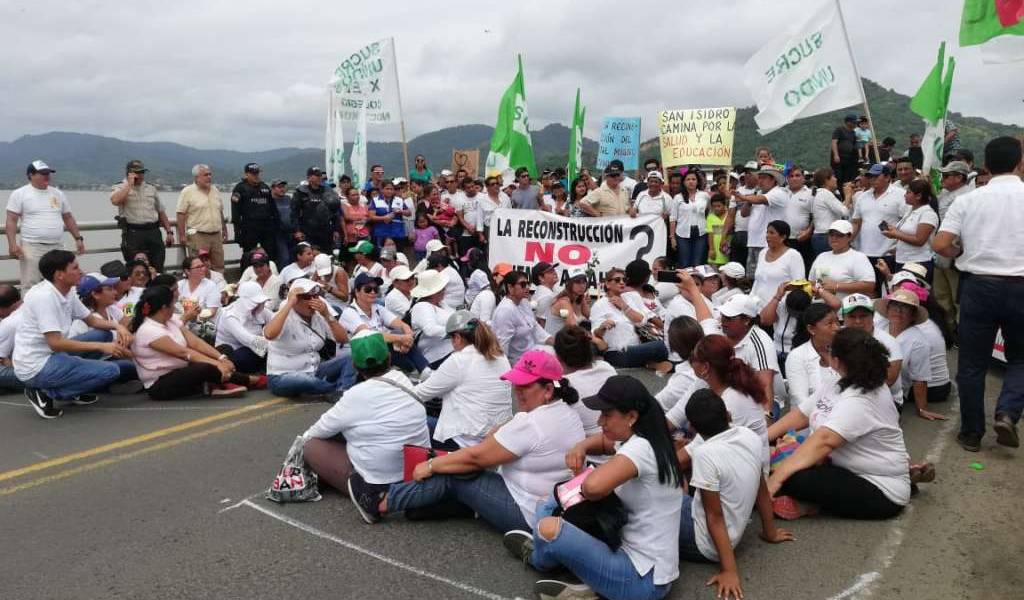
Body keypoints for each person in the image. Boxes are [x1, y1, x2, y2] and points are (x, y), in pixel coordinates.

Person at [359, 350, 585, 533]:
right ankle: (450, 506)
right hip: (549, 507)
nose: (517, 390)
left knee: (456, 474)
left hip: (526, 512)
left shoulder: (531, 423)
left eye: (525, 385)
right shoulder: (566, 411)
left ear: (548, 389)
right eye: (516, 383)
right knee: (460, 467)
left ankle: (381, 502)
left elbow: (476, 457)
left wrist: (430, 465)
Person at [504, 375, 682, 600]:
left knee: (548, 526)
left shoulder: (640, 449)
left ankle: (540, 558)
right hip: (648, 568)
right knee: (551, 502)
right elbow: (607, 443)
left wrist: (583, 474)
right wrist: (582, 446)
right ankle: (581, 579)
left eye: (606, 415)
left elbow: (593, 487)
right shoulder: (649, 437)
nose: (600, 422)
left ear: (631, 416)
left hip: (641, 580)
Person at [933, 137, 1024, 451]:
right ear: (1020, 162)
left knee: (972, 363)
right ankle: (1008, 412)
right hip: (1021, 286)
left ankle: (972, 432)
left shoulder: (968, 200)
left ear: (985, 165)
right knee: (1021, 359)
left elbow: (941, 244)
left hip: (978, 285)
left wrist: (960, 252)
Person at [768, 328, 911, 520]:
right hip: (844, 467)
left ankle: (809, 504)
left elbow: (824, 440)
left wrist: (775, 480)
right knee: (776, 457)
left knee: (791, 475)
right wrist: (760, 440)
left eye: (829, 349)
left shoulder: (862, 399)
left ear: (836, 361)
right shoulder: (840, 380)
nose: (824, 351)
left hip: (879, 489)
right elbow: (802, 414)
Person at [675, 389, 793, 600]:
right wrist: (770, 531)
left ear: (693, 428)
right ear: (728, 415)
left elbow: (714, 516)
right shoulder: (749, 436)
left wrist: (729, 571)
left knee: (646, 508)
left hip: (705, 544)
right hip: (728, 533)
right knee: (673, 493)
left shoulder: (704, 454)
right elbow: (761, 490)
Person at [302, 330, 431, 498]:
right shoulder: (403, 379)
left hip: (381, 483)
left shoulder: (354, 396)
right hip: (415, 472)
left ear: (354, 365)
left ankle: (365, 493)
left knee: (310, 446)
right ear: (389, 358)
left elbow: (316, 431)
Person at [15, 250, 130, 419]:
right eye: (75, 268)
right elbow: (55, 343)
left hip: (53, 354)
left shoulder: (67, 291)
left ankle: (70, 388)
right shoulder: (44, 298)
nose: (81, 271)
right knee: (111, 370)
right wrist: (101, 347)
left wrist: (117, 326)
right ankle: (46, 392)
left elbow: (92, 321)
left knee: (103, 334)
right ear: (60, 275)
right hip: (37, 364)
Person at [131, 285, 252, 399]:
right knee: (204, 367)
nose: (174, 306)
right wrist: (218, 364)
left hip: (183, 368)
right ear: (164, 308)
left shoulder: (171, 320)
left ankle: (216, 384)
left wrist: (221, 358)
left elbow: (195, 342)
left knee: (224, 349)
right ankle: (250, 380)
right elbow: (184, 353)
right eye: (172, 303)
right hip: (161, 382)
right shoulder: (148, 330)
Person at [412, 312, 513, 448]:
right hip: (495, 439)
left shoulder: (459, 360)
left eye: (451, 339)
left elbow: (418, 394)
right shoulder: (501, 356)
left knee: (410, 419)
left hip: (464, 442)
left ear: (458, 337)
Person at [264, 278, 352, 398]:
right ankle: (341, 389)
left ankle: (342, 389)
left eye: (315, 296)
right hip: (283, 375)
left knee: (351, 357)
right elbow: (269, 334)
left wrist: (327, 314)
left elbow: (343, 339)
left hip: (315, 371)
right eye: (307, 297)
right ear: (295, 300)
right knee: (305, 381)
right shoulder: (284, 315)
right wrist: (290, 303)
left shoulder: (318, 315)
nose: (312, 301)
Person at [6, 160, 87, 288]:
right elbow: (11, 220)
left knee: (61, 282)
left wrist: (78, 238)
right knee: (31, 284)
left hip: (57, 246)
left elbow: (68, 217)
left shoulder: (58, 193)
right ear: (31, 175)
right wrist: (12, 244)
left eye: (48, 173)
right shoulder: (19, 194)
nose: (47, 176)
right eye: (43, 173)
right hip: (32, 247)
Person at [876, 289, 948, 421]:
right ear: (887, 309)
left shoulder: (919, 341)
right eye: (895, 305)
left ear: (913, 315)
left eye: (905, 308)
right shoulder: (879, 325)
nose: (898, 311)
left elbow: (919, 378)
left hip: (892, 390)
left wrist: (922, 408)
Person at [340, 272, 425, 374]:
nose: (372, 292)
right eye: (368, 289)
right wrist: (401, 339)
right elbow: (371, 336)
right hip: (355, 357)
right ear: (357, 292)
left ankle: (422, 371)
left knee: (398, 339)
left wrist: (407, 338)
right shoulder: (349, 313)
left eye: (376, 289)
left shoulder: (377, 308)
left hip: (375, 351)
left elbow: (402, 324)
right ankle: (417, 371)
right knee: (390, 343)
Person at [591, 267, 669, 370]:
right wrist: (602, 327)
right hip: (616, 352)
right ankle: (653, 363)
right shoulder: (599, 305)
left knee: (668, 343)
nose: (622, 282)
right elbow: (595, 334)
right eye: (617, 280)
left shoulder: (631, 297)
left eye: (624, 280)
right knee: (661, 346)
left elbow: (641, 321)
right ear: (607, 284)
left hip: (638, 346)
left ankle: (653, 363)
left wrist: (625, 307)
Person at [716, 294, 779, 416]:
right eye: (722, 315)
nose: (723, 321)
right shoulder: (720, 332)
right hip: (729, 394)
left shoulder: (761, 343)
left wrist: (767, 419)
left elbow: (765, 386)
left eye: (729, 318)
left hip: (756, 399)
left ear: (747, 320)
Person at [851, 163, 908, 291]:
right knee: (868, 290)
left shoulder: (900, 195)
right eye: (870, 177)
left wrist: (900, 245)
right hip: (864, 253)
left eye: (876, 176)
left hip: (888, 253)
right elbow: (856, 222)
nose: (872, 179)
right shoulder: (862, 196)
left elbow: (906, 222)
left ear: (887, 177)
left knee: (888, 289)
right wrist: (848, 240)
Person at [839, 293, 905, 402]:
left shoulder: (889, 342)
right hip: (847, 395)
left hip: (883, 399)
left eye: (863, 316)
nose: (858, 321)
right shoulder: (836, 337)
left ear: (872, 316)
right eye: (852, 316)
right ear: (843, 318)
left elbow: (889, 380)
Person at [110, 159, 174, 271]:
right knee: (136, 267)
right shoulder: (120, 187)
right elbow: (115, 201)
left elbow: (161, 211)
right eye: (138, 172)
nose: (141, 175)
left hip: (153, 232)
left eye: (142, 172)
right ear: (129, 173)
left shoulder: (151, 188)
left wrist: (169, 232)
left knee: (158, 264)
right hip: (134, 233)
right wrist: (129, 185)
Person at [779, 303, 841, 417]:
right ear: (811, 329)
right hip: (809, 421)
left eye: (837, 322)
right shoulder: (797, 356)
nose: (836, 327)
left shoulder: (844, 351)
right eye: (829, 323)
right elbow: (801, 399)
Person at [932, 161, 971, 338]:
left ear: (959, 177)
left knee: (957, 298)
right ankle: (949, 331)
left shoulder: (968, 196)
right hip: (940, 250)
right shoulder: (945, 193)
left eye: (947, 175)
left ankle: (961, 333)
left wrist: (958, 251)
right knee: (941, 296)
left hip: (956, 253)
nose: (943, 179)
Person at [733, 167, 788, 279]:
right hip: (753, 241)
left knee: (765, 276)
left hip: (767, 243)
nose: (760, 181)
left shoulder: (779, 192)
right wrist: (748, 200)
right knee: (751, 277)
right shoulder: (757, 193)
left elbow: (761, 200)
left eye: (764, 178)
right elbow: (744, 213)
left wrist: (742, 197)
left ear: (773, 180)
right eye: (759, 178)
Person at [807, 220, 876, 306]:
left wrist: (837, 286)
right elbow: (812, 282)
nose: (834, 238)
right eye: (831, 234)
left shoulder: (859, 257)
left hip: (847, 309)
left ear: (849, 237)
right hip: (820, 308)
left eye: (839, 235)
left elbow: (869, 286)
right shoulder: (821, 256)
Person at [491, 270, 553, 364]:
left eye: (528, 284)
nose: (527, 287)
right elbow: (502, 347)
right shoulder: (505, 310)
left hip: (532, 353)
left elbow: (536, 328)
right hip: (517, 362)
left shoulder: (524, 301)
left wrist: (556, 342)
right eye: (523, 284)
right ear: (510, 287)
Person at [883, 179, 939, 282]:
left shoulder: (928, 214)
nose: (905, 195)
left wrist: (896, 234)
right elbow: (903, 233)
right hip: (902, 259)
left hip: (918, 262)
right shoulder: (910, 210)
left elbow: (919, 240)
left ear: (918, 196)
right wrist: (893, 231)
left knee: (911, 291)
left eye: (908, 192)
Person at [213, 281, 274, 374]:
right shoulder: (230, 316)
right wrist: (278, 346)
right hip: (233, 353)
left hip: (255, 350)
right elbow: (249, 340)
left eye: (260, 302)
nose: (258, 305)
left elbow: (276, 320)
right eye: (255, 302)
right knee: (245, 356)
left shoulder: (260, 310)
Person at [175, 164, 227, 272]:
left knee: (219, 265)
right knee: (199, 265)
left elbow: (220, 211)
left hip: (216, 234)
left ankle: (218, 282)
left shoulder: (215, 190)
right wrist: (182, 235)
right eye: (205, 175)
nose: (209, 177)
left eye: (210, 174)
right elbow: (180, 214)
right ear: (196, 178)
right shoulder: (187, 191)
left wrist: (224, 229)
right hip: (197, 234)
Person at [231, 163, 281, 267]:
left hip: (266, 227)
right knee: (248, 255)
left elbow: (273, 208)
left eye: (257, 173)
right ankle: (246, 274)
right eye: (253, 174)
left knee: (271, 254)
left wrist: (277, 224)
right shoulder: (240, 188)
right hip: (249, 227)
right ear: (246, 174)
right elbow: (235, 212)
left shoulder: (264, 187)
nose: (256, 176)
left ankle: (270, 273)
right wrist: (237, 232)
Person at [409, 270, 456, 369]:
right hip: (437, 357)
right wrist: (457, 331)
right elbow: (430, 329)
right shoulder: (422, 306)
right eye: (442, 288)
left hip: (452, 350)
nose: (445, 290)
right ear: (434, 292)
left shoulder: (442, 303)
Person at [750, 220, 805, 303]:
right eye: (767, 232)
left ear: (783, 237)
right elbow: (757, 282)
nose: (767, 236)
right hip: (757, 305)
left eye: (771, 233)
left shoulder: (793, 255)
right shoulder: (762, 253)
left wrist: (780, 302)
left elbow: (798, 284)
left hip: (781, 305)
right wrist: (751, 299)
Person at [290, 167, 341, 252]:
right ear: (309, 177)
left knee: (326, 255)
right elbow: (294, 213)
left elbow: (334, 212)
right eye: (316, 175)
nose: (319, 178)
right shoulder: (301, 192)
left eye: (320, 175)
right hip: (307, 231)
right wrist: (297, 230)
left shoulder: (328, 191)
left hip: (325, 231)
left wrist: (336, 230)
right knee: (309, 255)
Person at [669, 170, 710, 268]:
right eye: (688, 179)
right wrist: (672, 237)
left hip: (701, 233)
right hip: (682, 233)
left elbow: (709, 211)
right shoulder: (678, 197)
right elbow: (673, 218)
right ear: (684, 182)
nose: (691, 181)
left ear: (697, 181)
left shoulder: (705, 196)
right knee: (684, 263)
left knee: (698, 263)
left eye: (693, 179)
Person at [810, 167, 852, 257]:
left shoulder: (819, 193)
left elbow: (839, 208)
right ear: (826, 180)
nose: (836, 179)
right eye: (833, 176)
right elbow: (844, 212)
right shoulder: (826, 193)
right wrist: (848, 195)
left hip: (820, 236)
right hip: (826, 236)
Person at [547, 267, 591, 336]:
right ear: (569, 283)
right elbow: (573, 327)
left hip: (569, 339)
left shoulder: (580, 298)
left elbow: (591, 318)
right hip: (556, 341)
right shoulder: (563, 302)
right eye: (577, 282)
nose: (582, 286)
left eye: (584, 282)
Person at [177, 256, 222, 323]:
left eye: (202, 266)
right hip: (183, 322)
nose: (203, 269)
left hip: (205, 324)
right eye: (198, 267)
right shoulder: (179, 285)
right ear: (187, 271)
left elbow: (212, 311)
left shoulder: (211, 285)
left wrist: (198, 313)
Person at [530, 261, 560, 330]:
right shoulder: (547, 296)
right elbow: (543, 325)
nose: (555, 273)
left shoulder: (544, 292)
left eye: (554, 270)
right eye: (550, 271)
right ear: (541, 278)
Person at [831, 114, 859, 185]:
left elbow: (854, 145)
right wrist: (836, 155)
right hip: (839, 157)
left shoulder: (853, 133)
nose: (855, 124)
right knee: (838, 176)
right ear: (848, 122)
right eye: (854, 122)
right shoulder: (839, 130)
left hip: (848, 158)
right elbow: (834, 142)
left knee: (846, 177)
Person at [706, 193, 730, 266]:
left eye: (719, 206)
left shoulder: (729, 216)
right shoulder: (710, 217)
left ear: (724, 205)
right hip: (715, 251)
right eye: (714, 206)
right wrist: (711, 249)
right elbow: (710, 234)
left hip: (727, 250)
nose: (716, 208)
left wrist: (719, 230)